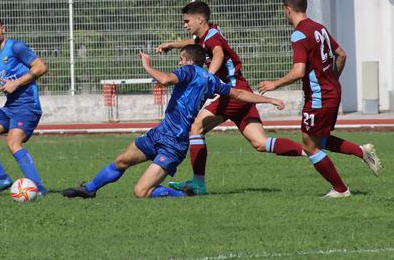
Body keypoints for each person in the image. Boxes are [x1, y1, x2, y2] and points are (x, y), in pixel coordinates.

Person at [62, 45, 286, 199]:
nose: (178, 63)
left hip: (174, 144)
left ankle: (184, 194)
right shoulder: (211, 80)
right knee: (122, 160)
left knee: (141, 192)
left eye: (180, 59)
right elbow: (238, 94)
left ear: (188, 61)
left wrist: (147, 65)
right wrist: (270, 99)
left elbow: (165, 79)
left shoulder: (189, 70)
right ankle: (89, 190)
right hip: (160, 132)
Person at [155, 1, 304, 195]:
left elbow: (218, 53)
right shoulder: (208, 34)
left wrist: (208, 76)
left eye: (187, 21)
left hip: (233, 92)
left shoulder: (213, 39)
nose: (185, 25)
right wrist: (172, 45)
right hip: (241, 92)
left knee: (195, 128)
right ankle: (311, 151)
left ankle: (198, 183)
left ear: (199, 19)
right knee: (260, 143)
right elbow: (195, 43)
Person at [257, 0, 381, 198]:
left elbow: (299, 70)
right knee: (319, 141)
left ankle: (340, 189)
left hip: (319, 97)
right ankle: (361, 151)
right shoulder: (319, 28)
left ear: (287, 9)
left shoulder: (299, 34)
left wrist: (274, 84)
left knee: (310, 145)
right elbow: (341, 54)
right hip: (331, 92)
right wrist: (332, 78)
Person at [0, 13, 49, 197]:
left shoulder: (17, 47)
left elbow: (41, 67)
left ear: (3, 29)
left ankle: (39, 188)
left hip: (28, 106)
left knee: (13, 143)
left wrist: (16, 83)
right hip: (11, 107)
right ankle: (1, 179)